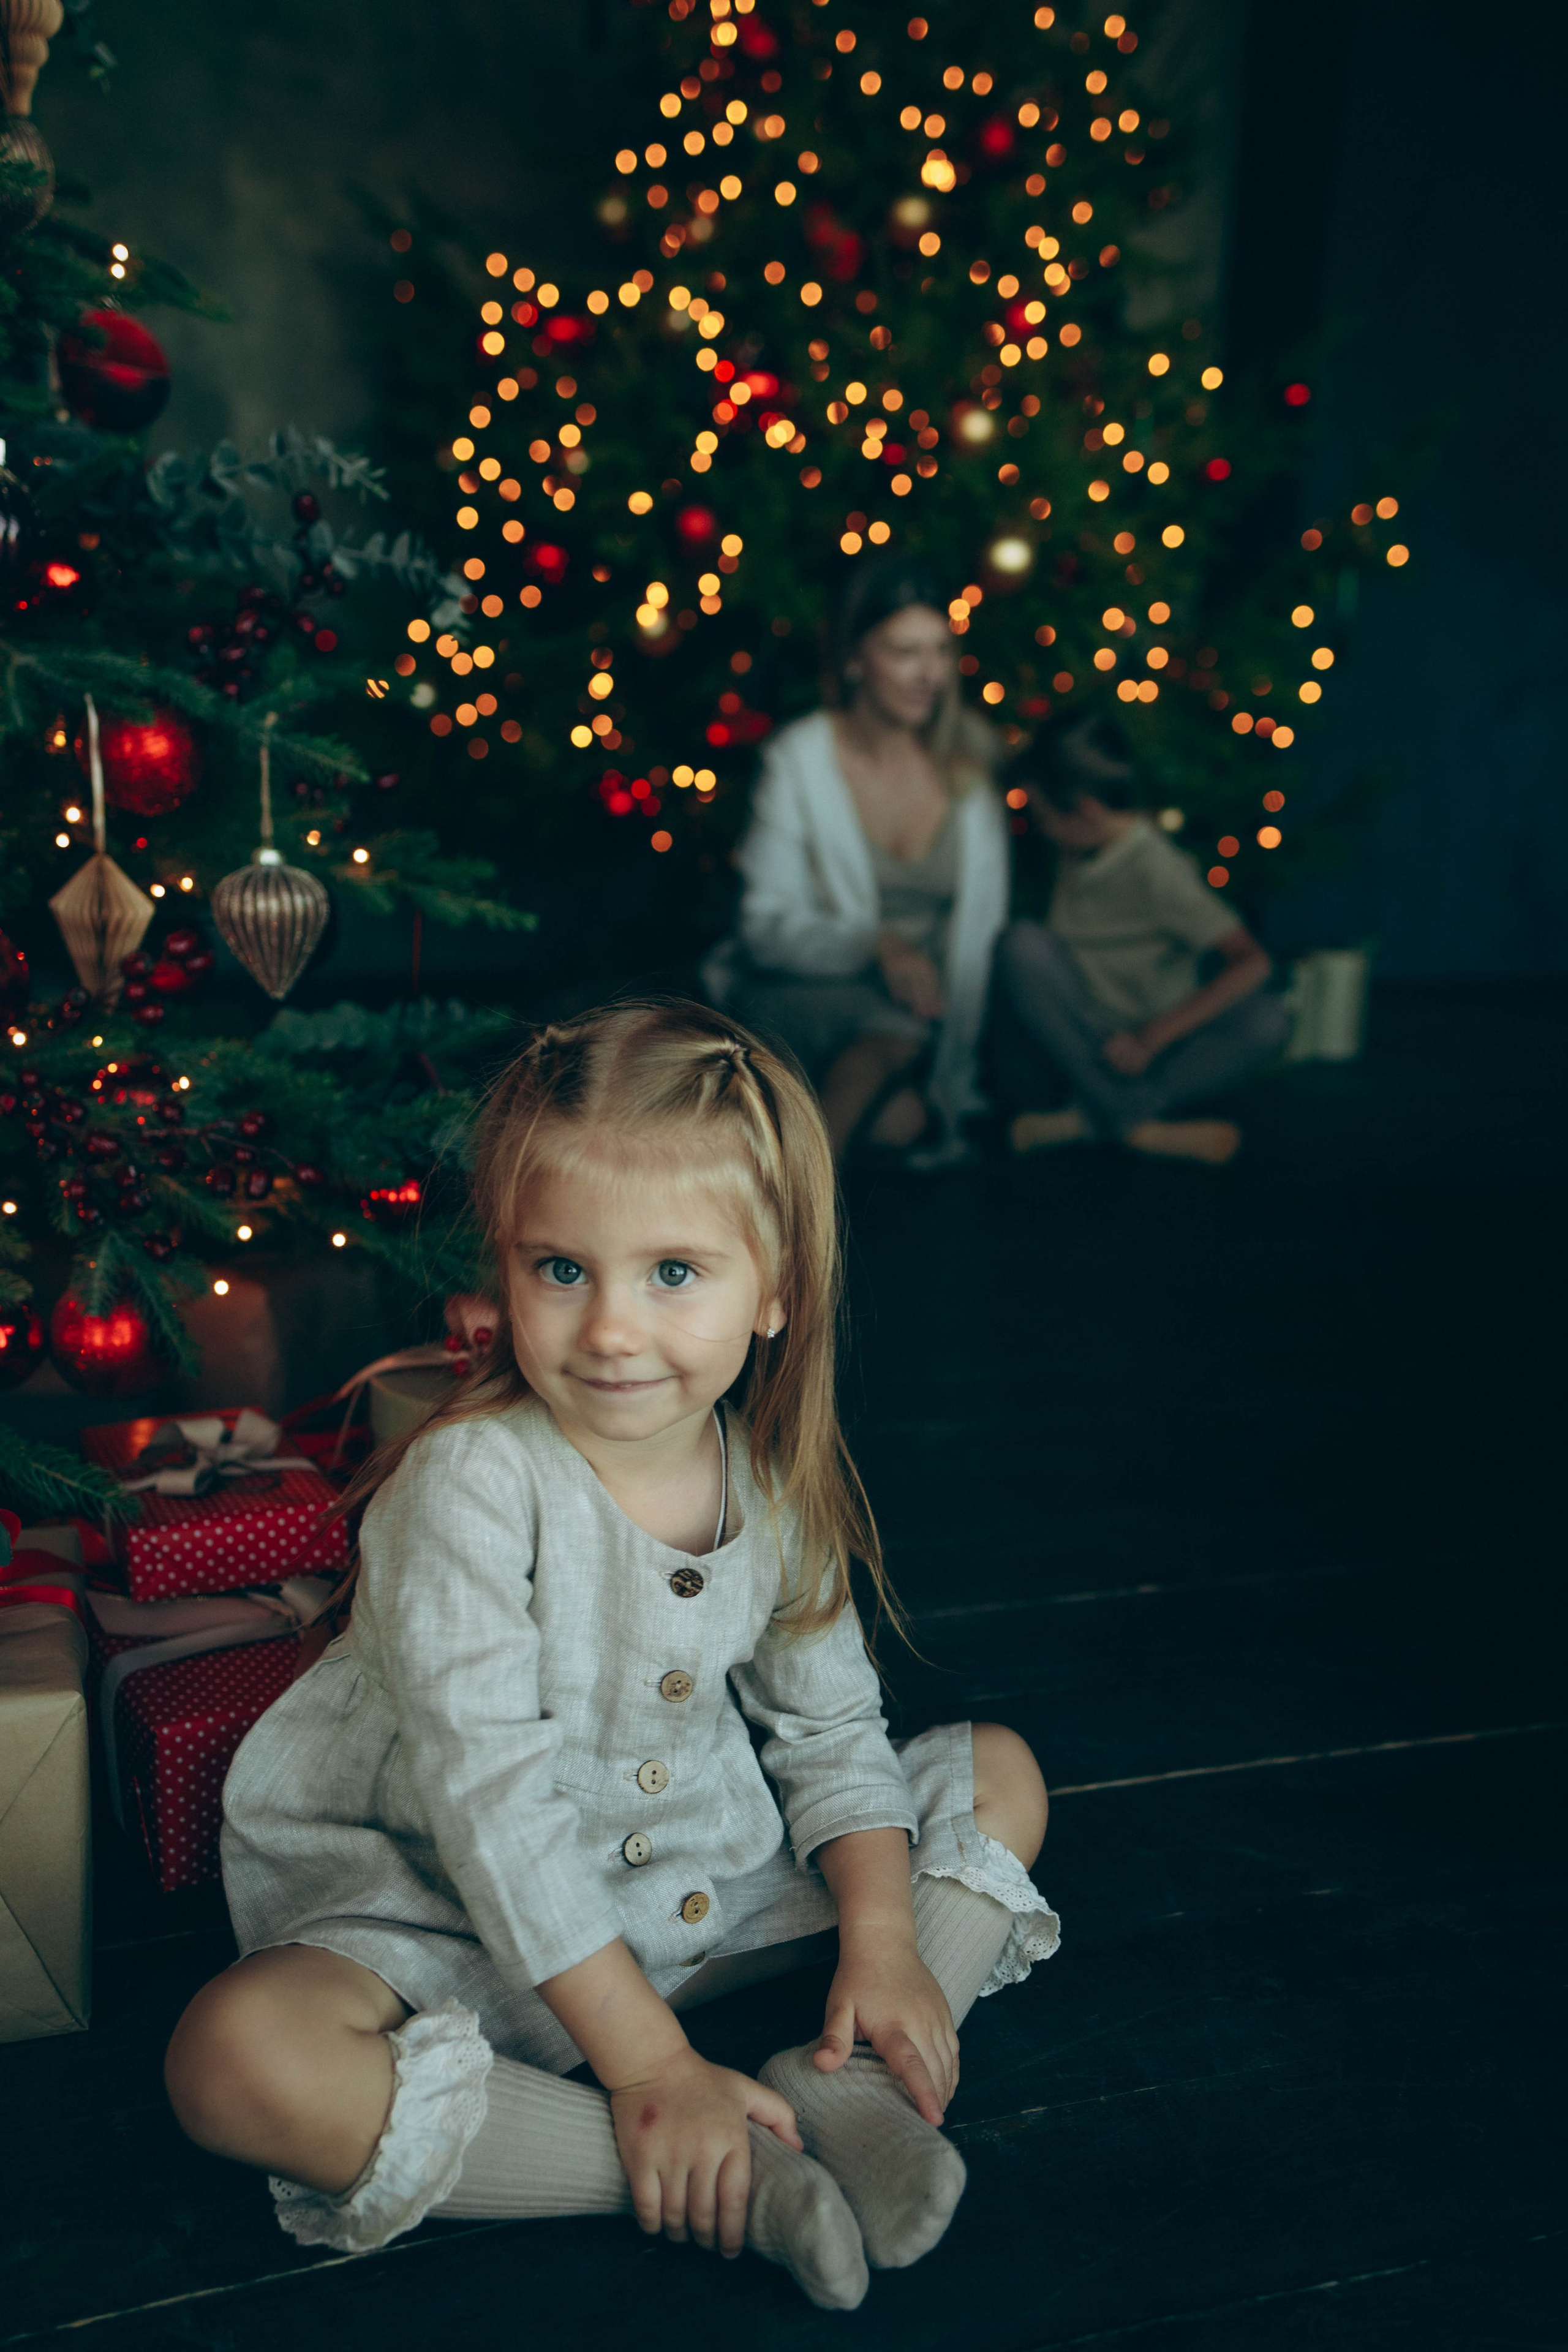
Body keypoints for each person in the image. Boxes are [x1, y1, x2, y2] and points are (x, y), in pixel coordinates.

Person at [165, 1000, 1057, 2312]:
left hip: (709, 1888)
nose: (611, 1331)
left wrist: (880, 1941)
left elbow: (828, 1735)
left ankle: (858, 2071)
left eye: (674, 1273)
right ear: (504, 1270)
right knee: (233, 2061)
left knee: (1002, 1773)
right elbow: (489, 1803)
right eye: (562, 1270)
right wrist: (650, 2069)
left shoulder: (772, 1483)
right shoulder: (470, 1484)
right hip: (452, 1911)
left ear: (776, 1291)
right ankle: (707, 2166)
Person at [707, 554, 1009, 1166]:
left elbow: (981, 940)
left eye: (941, 650)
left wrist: (952, 1053)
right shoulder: (799, 760)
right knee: (890, 1054)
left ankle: (790, 1167)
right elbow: (764, 929)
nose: (930, 674)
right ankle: (801, 1200)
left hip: (925, 1016)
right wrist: (874, 943)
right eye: (904, 652)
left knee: (902, 1118)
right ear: (853, 659)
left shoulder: (969, 771)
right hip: (808, 991)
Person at [997, 715, 1291, 1165]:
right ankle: (1133, 1123)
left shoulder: (1156, 868)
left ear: (1087, 810)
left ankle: (1088, 1121)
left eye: (1043, 817)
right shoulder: (1078, 846)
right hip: (1083, 1039)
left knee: (1269, 1022)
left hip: (1148, 1044)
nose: (1041, 828)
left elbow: (1253, 962)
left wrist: (1152, 1038)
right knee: (1021, 946)